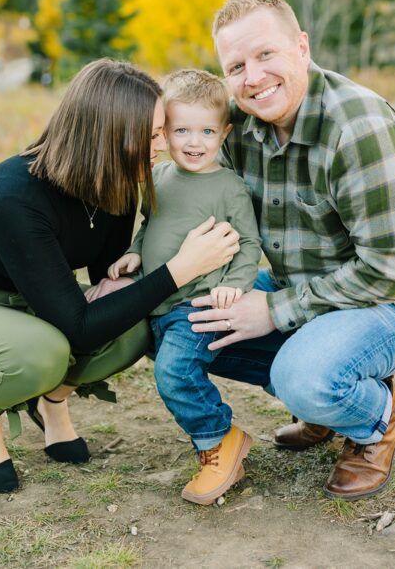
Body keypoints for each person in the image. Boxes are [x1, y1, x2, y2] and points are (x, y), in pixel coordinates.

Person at [185, 0, 395, 500]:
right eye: (236, 66)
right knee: (185, 320)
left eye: (266, 55)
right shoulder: (238, 129)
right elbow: (185, 170)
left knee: (302, 375)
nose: (253, 77)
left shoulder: (358, 128)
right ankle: (320, 400)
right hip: (308, 293)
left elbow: (388, 270)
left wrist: (275, 309)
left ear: (301, 47)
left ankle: (374, 417)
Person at [0, 59, 242, 494]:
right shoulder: (13, 199)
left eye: (159, 131)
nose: (162, 145)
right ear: (107, 134)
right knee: (45, 352)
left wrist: (130, 276)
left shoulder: (116, 180)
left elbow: (108, 284)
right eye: (151, 135)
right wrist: (181, 268)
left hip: (41, 296)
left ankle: (52, 402)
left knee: (134, 327)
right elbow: (79, 329)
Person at [107, 69, 262, 505]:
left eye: (207, 131)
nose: (194, 142)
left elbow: (249, 243)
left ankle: (219, 439)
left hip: (199, 303)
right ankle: (217, 436)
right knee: (173, 368)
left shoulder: (229, 187)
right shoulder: (157, 177)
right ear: (163, 132)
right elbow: (150, 224)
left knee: (174, 372)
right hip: (160, 301)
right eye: (181, 131)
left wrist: (235, 284)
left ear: (224, 132)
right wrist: (136, 251)